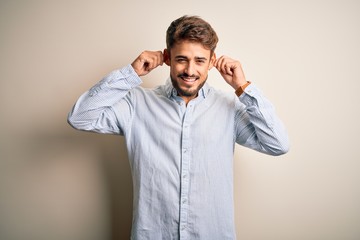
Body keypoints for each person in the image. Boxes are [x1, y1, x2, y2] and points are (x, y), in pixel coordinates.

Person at [68, 15, 289, 240]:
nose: (190, 70)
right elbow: (80, 117)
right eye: (182, 59)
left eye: (200, 61)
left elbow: (277, 144)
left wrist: (243, 87)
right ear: (167, 58)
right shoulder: (136, 104)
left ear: (212, 61)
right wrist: (130, 74)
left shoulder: (229, 107)